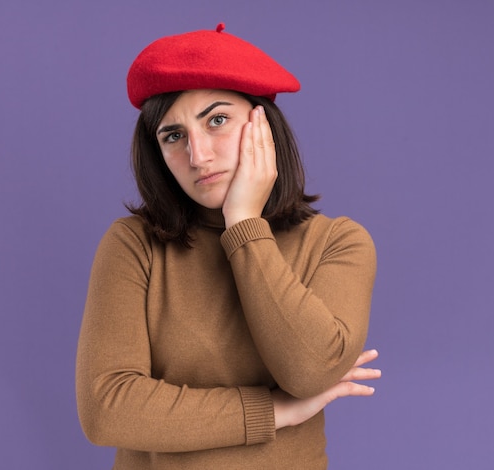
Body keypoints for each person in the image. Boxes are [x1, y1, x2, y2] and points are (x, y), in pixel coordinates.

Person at [76, 23, 380, 469]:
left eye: (216, 120)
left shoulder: (337, 243)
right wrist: (275, 412)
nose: (197, 155)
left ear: (263, 126)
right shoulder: (134, 245)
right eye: (173, 135)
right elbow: (106, 409)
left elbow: (310, 371)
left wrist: (244, 224)